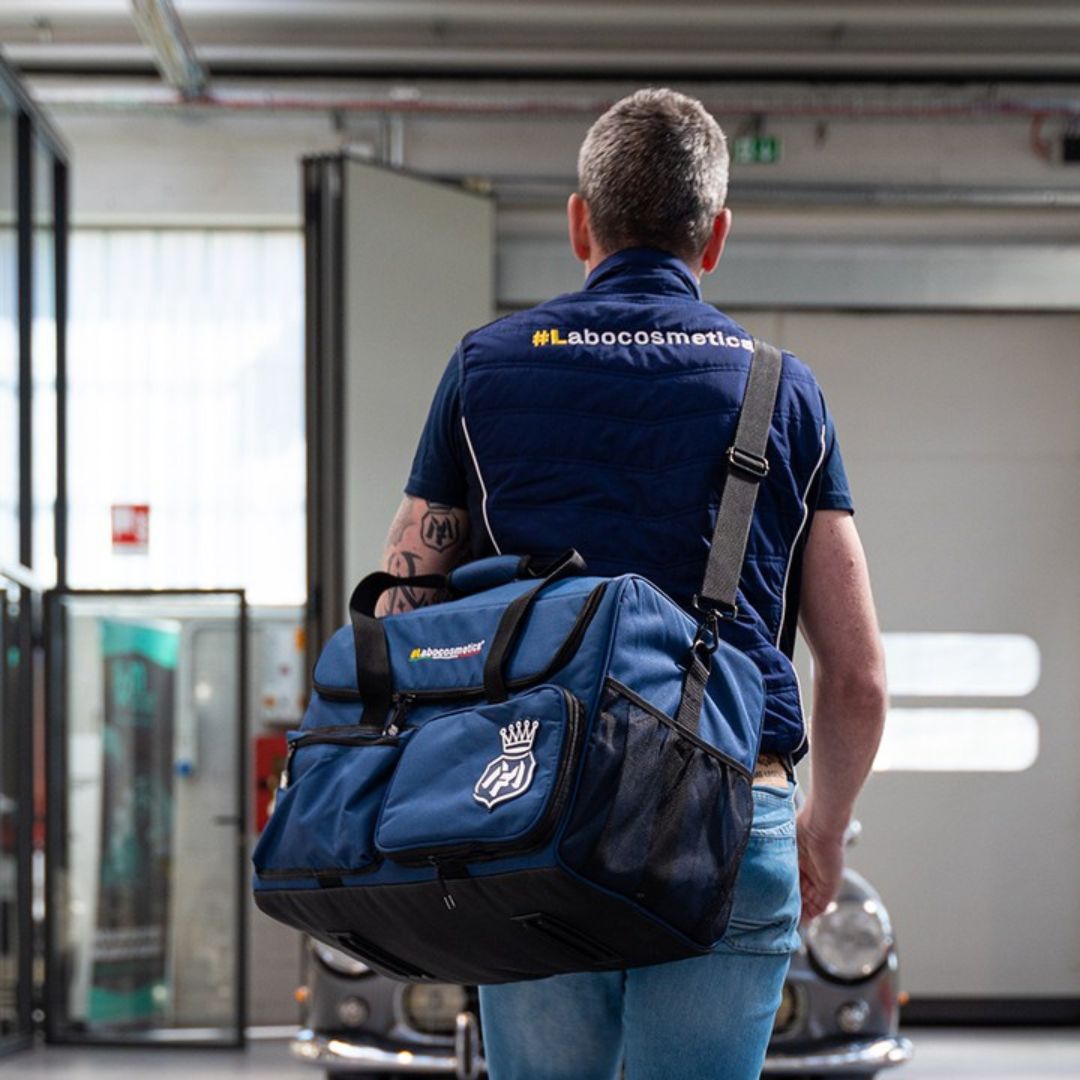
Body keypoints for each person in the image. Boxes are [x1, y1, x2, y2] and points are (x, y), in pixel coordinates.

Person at [376, 88, 886, 1080]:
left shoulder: (483, 369)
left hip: (525, 801)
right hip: (732, 818)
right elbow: (857, 675)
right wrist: (819, 828)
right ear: (716, 237)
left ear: (580, 223)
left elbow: (405, 606)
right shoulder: (784, 391)